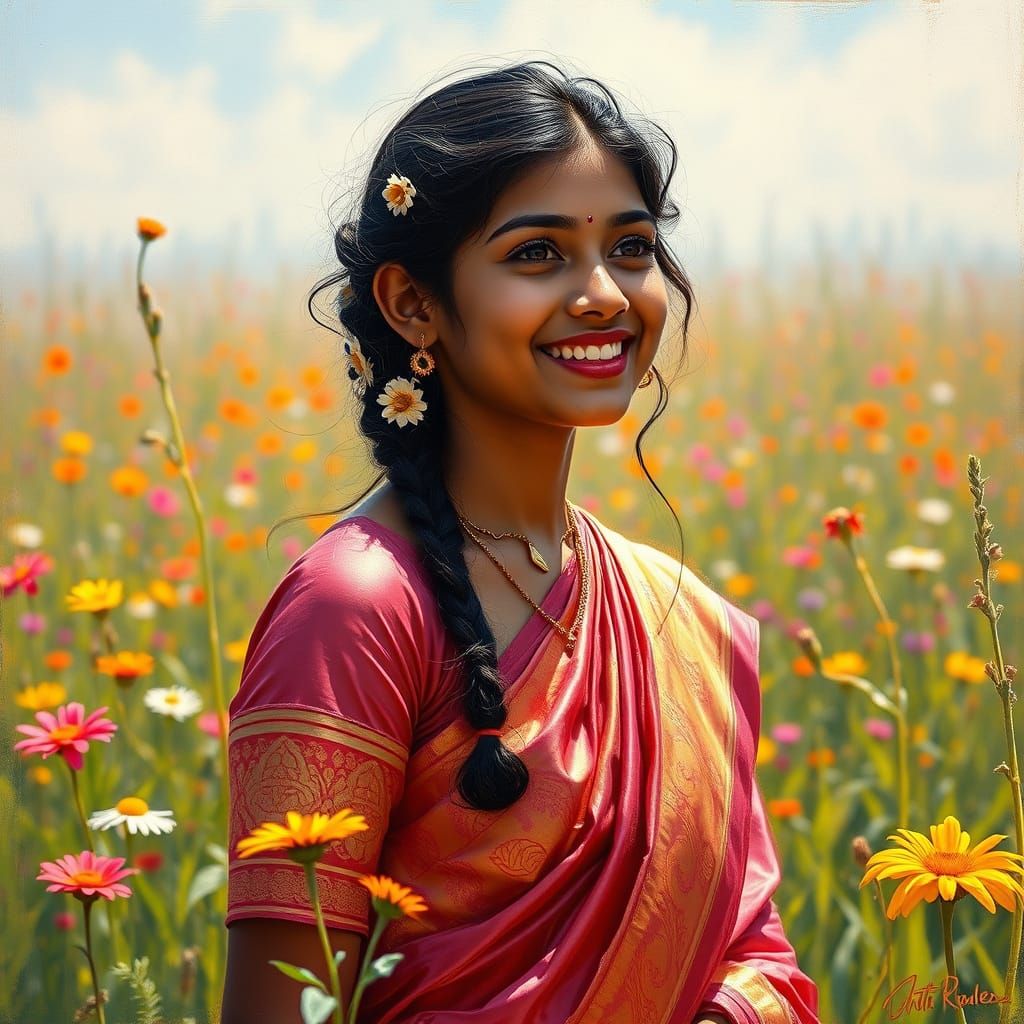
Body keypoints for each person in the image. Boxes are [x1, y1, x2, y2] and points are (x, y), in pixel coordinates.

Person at [220, 59, 820, 1024]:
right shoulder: (357, 610)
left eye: (630, 248)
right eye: (538, 254)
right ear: (414, 304)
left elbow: (756, 950)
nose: (604, 295)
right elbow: (278, 1012)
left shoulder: (676, 615)